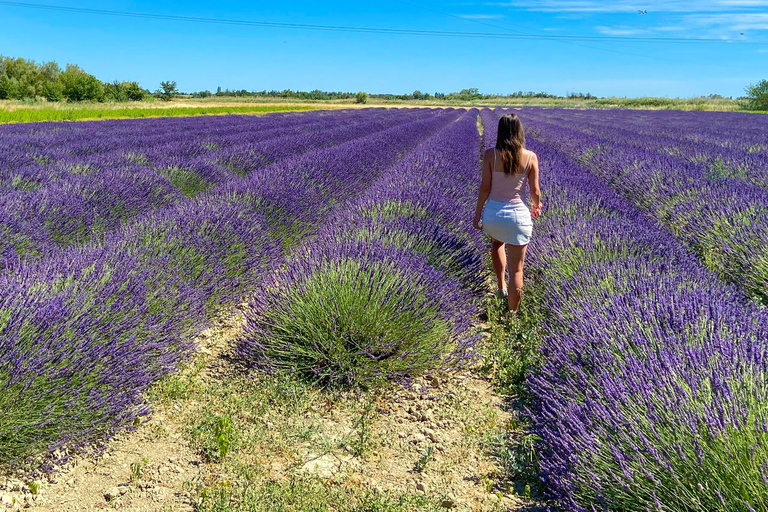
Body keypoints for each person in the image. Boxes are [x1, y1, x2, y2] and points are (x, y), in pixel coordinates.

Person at [472, 113, 542, 318]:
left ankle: (501, 286)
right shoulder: (530, 157)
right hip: (518, 217)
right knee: (518, 271)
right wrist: (536, 207)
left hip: (493, 215)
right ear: (519, 131)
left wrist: (478, 215)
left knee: (497, 243)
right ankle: (512, 315)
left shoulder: (490, 155)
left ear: (500, 131)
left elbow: (484, 188)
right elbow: (535, 190)